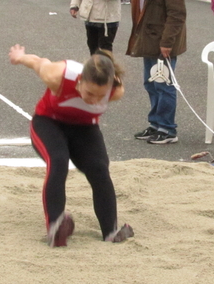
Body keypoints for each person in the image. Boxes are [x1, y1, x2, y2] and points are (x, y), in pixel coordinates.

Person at [8, 44, 134, 247]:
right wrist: (20, 57)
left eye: (100, 96)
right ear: (80, 80)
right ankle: (56, 227)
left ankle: (110, 231)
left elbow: (106, 91)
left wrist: (100, 96)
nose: (94, 100)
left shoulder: (116, 90)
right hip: (48, 122)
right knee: (58, 160)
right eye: (89, 93)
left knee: (99, 169)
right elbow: (38, 62)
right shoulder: (57, 75)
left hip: (84, 128)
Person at [128, 0, 187, 145]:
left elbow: (177, 12)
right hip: (148, 37)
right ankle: (155, 124)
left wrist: (167, 42)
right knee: (151, 83)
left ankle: (167, 129)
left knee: (164, 84)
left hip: (163, 39)